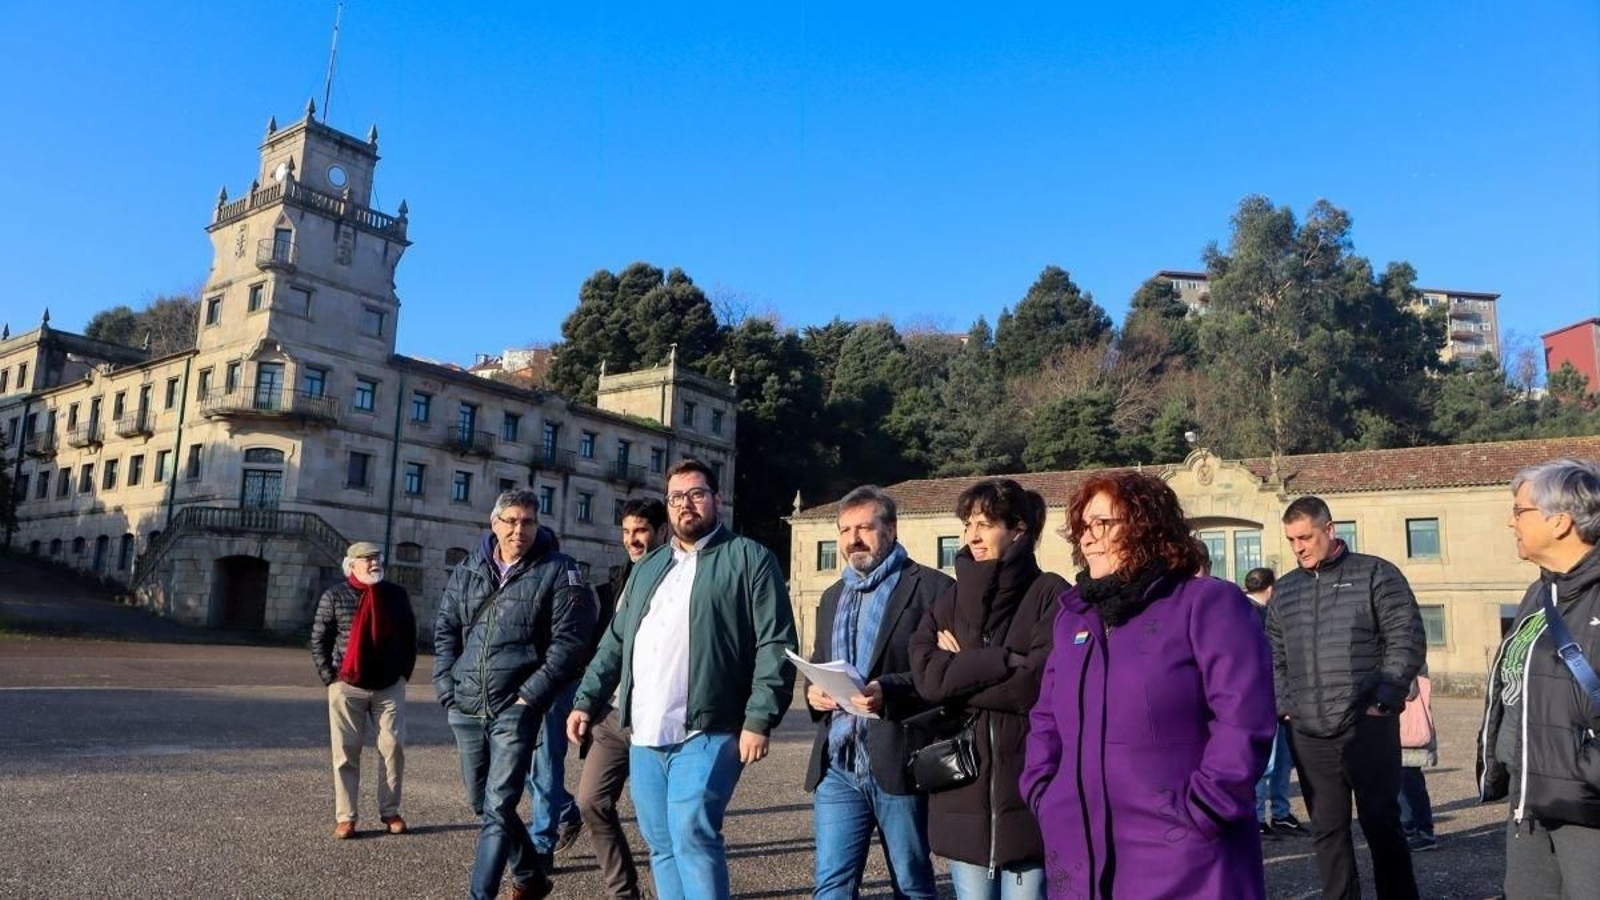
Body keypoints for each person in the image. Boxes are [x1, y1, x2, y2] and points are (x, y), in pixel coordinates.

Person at [1022, 471, 1276, 898]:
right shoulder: (1073, 618)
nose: (1088, 538)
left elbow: (1243, 720)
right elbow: (1046, 717)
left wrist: (1204, 812)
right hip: (1080, 850)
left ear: (1147, 527)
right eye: (1083, 526)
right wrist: (1043, 791)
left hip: (1186, 857)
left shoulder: (1207, 604)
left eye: (1103, 523)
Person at [568, 459, 798, 900]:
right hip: (646, 729)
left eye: (696, 494)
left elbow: (775, 643)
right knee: (661, 845)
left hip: (710, 726)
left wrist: (759, 718)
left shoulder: (749, 558)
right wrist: (586, 699)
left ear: (717, 499)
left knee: (693, 831)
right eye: (676, 498)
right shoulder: (649, 566)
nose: (685, 505)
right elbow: (617, 642)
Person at [434, 489, 597, 900]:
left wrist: (530, 697)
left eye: (527, 522)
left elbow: (570, 642)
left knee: (498, 808)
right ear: (494, 524)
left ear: (537, 525)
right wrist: (446, 688)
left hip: (515, 707)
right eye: (510, 521)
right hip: (466, 705)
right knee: (481, 803)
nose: (518, 530)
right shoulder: (470, 568)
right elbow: (446, 630)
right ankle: (530, 875)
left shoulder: (559, 570)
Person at [908, 478, 1066, 900]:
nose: (971, 536)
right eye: (968, 524)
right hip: (962, 792)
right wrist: (1000, 661)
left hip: (1029, 790)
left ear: (1018, 529)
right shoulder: (948, 600)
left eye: (985, 524)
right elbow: (927, 679)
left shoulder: (1051, 594)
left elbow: (1037, 686)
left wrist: (958, 672)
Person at [1268, 495, 1424, 900]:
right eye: (1291, 540)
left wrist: (1385, 699)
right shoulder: (1284, 592)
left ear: (1330, 529)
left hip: (1368, 724)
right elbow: (1274, 657)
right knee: (1327, 830)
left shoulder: (1377, 575)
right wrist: (1286, 706)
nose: (1298, 547)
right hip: (1310, 732)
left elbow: (1405, 638)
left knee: (1381, 823)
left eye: (1305, 537)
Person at [805, 485, 952, 900]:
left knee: (912, 883)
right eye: (845, 529)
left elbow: (943, 673)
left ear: (890, 530)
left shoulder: (932, 589)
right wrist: (812, 694)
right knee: (831, 885)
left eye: (865, 528)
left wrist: (888, 689)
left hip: (898, 760)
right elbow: (818, 661)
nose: (853, 539)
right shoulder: (832, 596)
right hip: (838, 763)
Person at [1479, 458, 1600, 897]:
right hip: (1529, 798)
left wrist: (1584, 770)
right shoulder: (1541, 591)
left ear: (1561, 521)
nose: (1510, 522)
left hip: (1585, 806)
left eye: (1519, 511)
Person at [571, 497, 669, 899]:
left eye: (641, 531)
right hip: (612, 713)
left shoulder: (677, 576)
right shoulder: (619, 580)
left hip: (657, 713)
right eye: (627, 531)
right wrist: (585, 701)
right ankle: (623, 892)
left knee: (662, 821)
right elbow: (607, 646)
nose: (632, 539)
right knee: (591, 801)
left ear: (662, 531)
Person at [310, 541, 417, 840]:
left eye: (377, 559)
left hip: (388, 686)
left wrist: (403, 673)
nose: (373, 564)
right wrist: (330, 677)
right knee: (345, 752)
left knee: (393, 747)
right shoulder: (335, 595)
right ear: (351, 565)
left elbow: (409, 635)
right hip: (347, 685)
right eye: (367, 560)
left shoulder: (395, 595)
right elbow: (319, 638)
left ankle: (390, 811)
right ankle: (346, 817)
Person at [1243, 567, 1306, 839]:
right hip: (1265, 698)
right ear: (1271, 588)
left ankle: (1280, 814)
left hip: (1276, 698)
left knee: (1282, 760)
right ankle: (1259, 817)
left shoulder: (1255, 612)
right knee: (1267, 763)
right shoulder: (1250, 615)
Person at [1398, 668, 1437, 852]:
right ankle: (1409, 825)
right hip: (1398, 730)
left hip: (1406, 729)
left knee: (1410, 780)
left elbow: (1409, 690)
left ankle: (1424, 831)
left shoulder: (1409, 654)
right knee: (1399, 780)